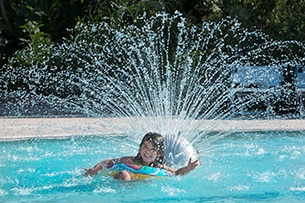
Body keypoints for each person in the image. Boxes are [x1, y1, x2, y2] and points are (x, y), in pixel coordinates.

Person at [83, 132, 199, 180]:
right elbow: (107, 162)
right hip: (124, 181)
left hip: (141, 183)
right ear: (140, 147)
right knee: (124, 174)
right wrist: (93, 170)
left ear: (158, 153)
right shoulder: (130, 160)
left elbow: (175, 173)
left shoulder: (159, 166)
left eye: (153, 149)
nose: (148, 152)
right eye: (145, 147)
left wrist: (188, 168)